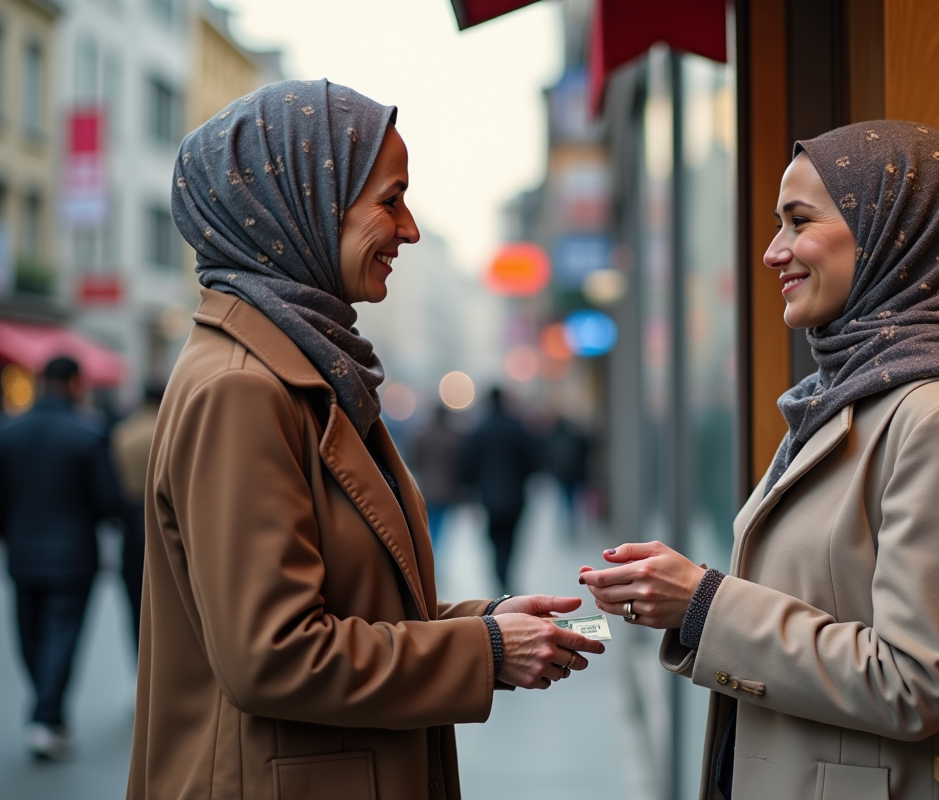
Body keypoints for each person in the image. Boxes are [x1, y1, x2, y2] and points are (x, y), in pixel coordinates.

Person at [128, 79, 603, 800]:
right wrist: (487, 651)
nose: (408, 229)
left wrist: (485, 624)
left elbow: (347, 609)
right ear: (301, 205)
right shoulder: (244, 388)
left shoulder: (304, 365)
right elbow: (274, 655)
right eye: (389, 199)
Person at [580, 121, 939, 799]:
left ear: (897, 233)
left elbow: (910, 684)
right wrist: (688, 600)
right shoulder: (849, 395)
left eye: (800, 221)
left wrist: (703, 604)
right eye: (776, 224)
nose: (773, 251)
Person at [0, 355, 124, 760]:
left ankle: (45, 712)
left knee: (30, 636)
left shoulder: (9, 433)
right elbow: (107, 502)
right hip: (73, 555)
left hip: (22, 551)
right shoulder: (87, 433)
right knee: (62, 637)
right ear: (74, 383)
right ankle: (46, 716)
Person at [460, 387, 539, 592]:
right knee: (511, 539)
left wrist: (470, 489)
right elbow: (532, 460)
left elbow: (469, 463)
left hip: (489, 497)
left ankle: (500, 576)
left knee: (495, 540)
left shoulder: (480, 429)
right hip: (515, 495)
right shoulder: (516, 427)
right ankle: (505, 575)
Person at [109, 383, 164, 653]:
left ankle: (139, 664)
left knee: (134, 603)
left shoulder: (122, 433)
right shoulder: (169, 429)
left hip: (131, 524)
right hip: (165, 521)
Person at [410, 405, 463, 553]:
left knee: (430, 522)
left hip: (426, 487)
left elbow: (413, 461)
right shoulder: (454, 437)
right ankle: (435, 552)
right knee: (441, 523)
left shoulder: (421, 436)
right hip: (447, 489)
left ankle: (431, 551)